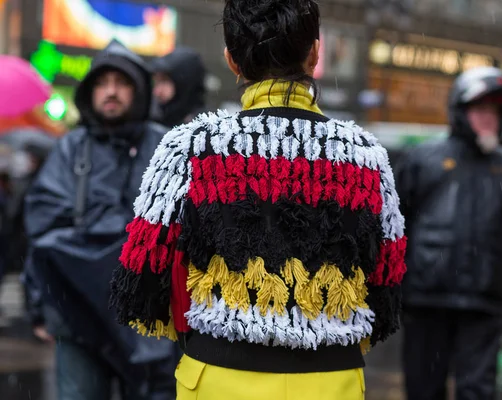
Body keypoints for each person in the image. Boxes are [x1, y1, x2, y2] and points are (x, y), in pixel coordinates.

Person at [110, 1, 407, 399]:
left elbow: (140, 282)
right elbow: (386, 288)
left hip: (218, 378)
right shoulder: (367, 156)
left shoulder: (190, 147)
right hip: (331, 381)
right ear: (314, 54)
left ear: (232, 60)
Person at [24, 39, 176, 400]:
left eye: (122, 83)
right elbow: (42, 229)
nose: (111, 92)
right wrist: (40, 308)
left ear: (138, 91)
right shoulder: (71, 148)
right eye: (103, 83)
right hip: (79, 318)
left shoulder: (164, 146)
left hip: (149, 321)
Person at [395, 67, 502, 400]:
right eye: (480, 110)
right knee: (423, 389)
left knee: (477, 391)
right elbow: (393, 226)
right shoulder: (423, 160)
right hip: (426, 299)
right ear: (460, 112)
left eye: (494, 112)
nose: (488, 119)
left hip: (484, 301)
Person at [151, 47, 206, 127]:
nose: (156, 91)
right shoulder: (151, 120)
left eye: (164, 81)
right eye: (156, 82)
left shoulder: (206, 127)